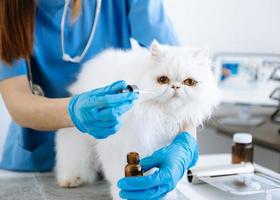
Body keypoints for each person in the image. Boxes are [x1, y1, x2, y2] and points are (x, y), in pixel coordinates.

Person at [0, 0, 198, 198]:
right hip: (35, 159)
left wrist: (185, 141)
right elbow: (17, 99)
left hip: (121, 149)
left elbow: (181, 71)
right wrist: (74, 110)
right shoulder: (7, 8)